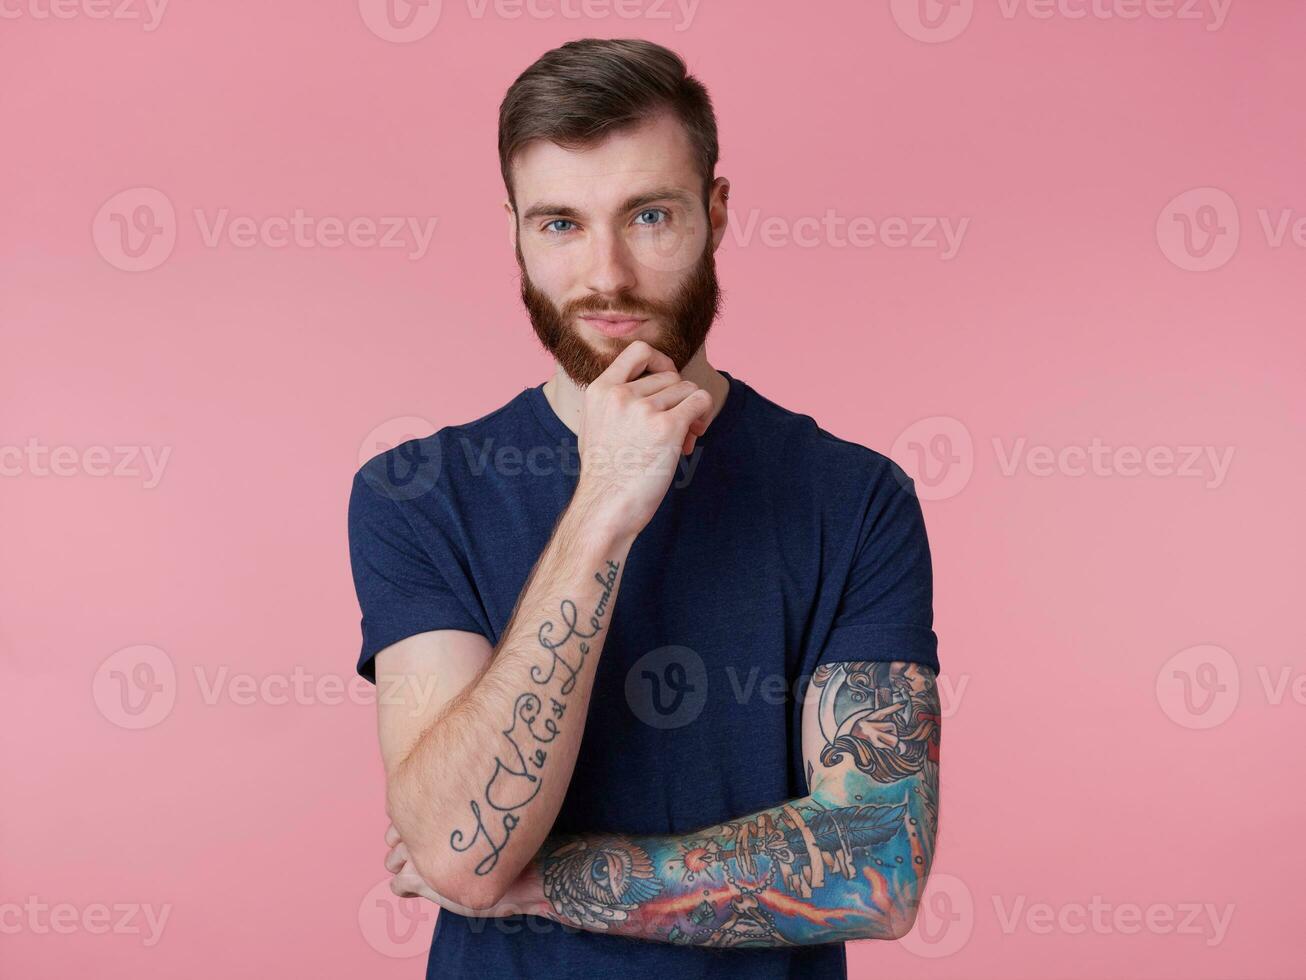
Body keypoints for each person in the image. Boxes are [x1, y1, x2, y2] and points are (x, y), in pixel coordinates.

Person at [347, 37, 942, 980]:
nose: (607, 274)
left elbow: (875, 872)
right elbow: (464, 849)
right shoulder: (416, 494)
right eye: (559, 225)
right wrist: (603, 508)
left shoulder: (853, 497)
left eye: (650, 215)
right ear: (513, 231)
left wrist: (546, 883)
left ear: (715, 212)